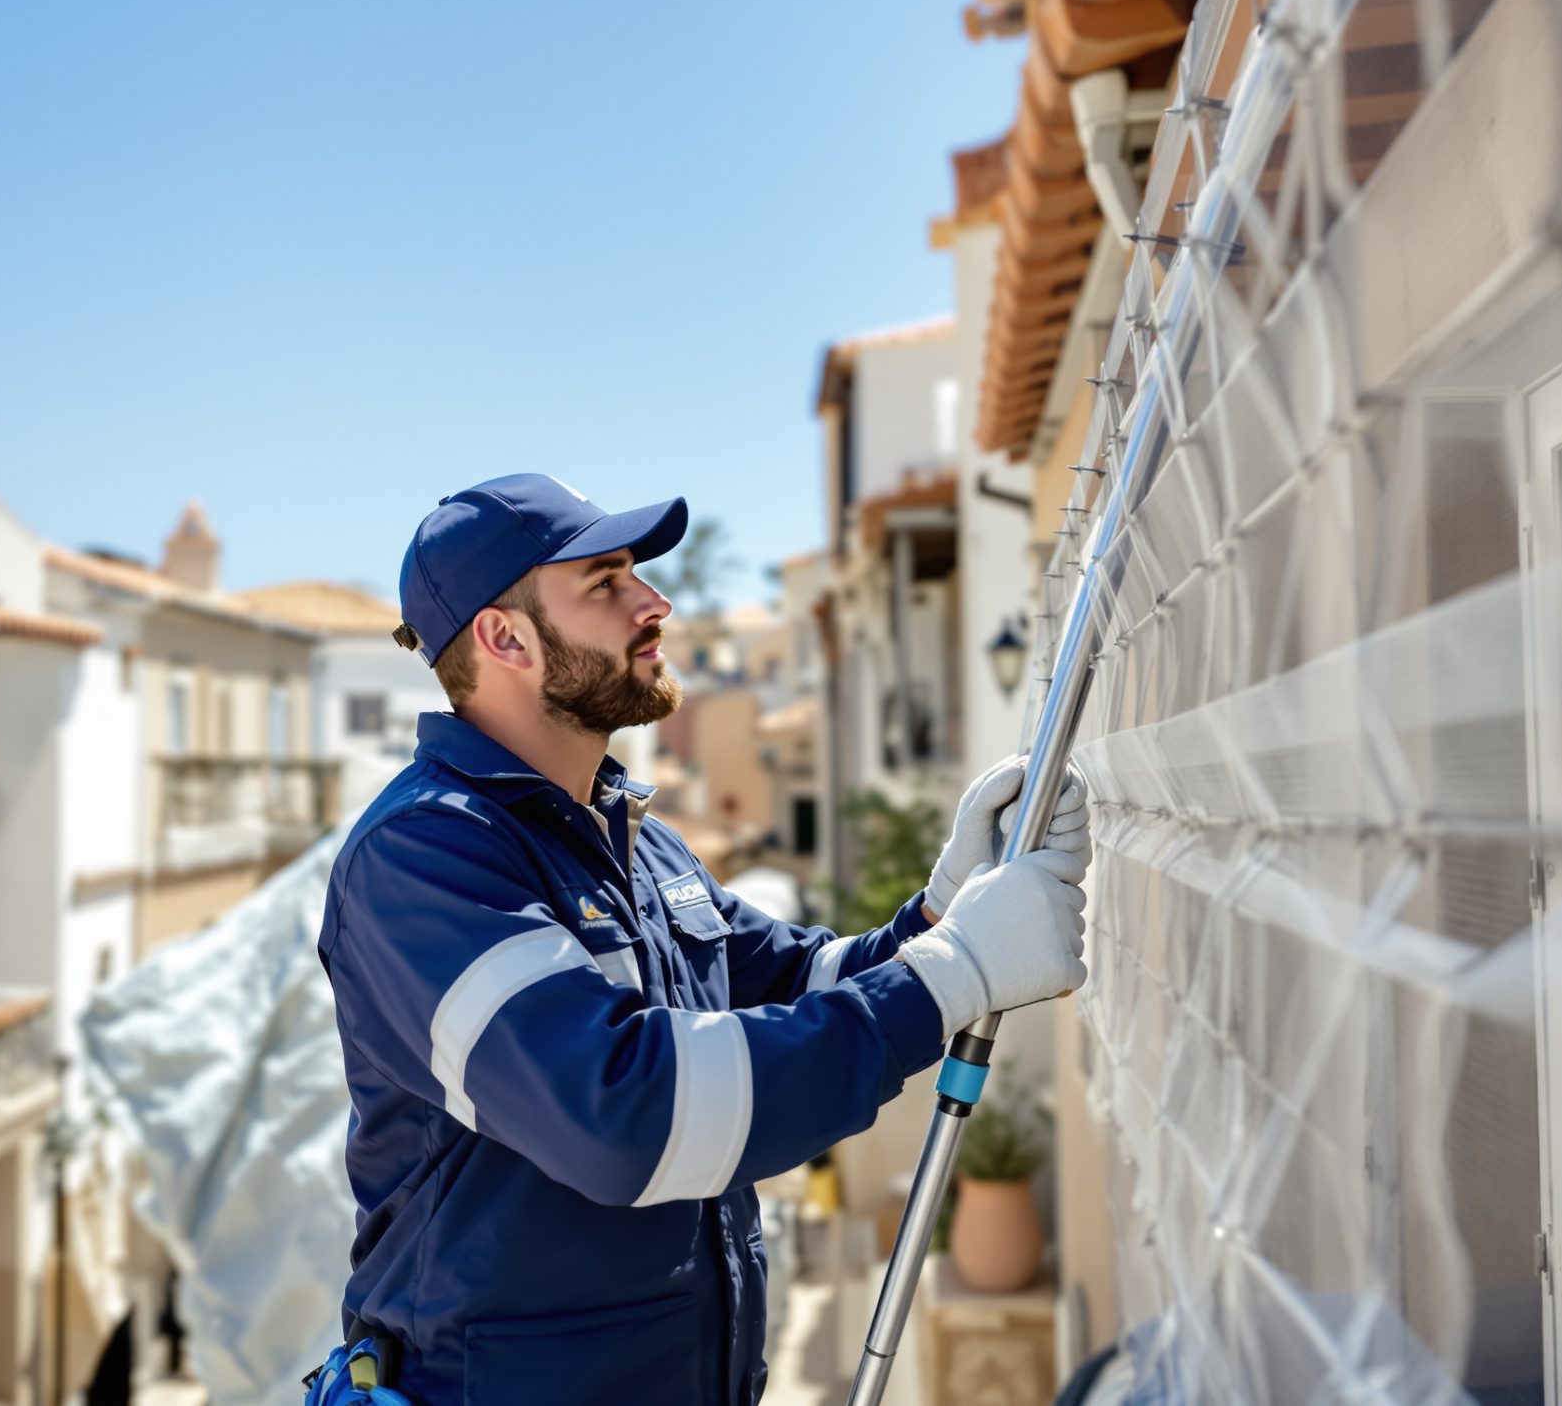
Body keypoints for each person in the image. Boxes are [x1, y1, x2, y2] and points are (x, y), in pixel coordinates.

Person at [312, 474, 1092, 1404]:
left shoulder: (632, 838)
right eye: (603, 582)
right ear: (504, 636)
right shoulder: (422, 858)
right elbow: (622, 1116)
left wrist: (941, 915)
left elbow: (795, 981)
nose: (655, 601)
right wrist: (953, 974)